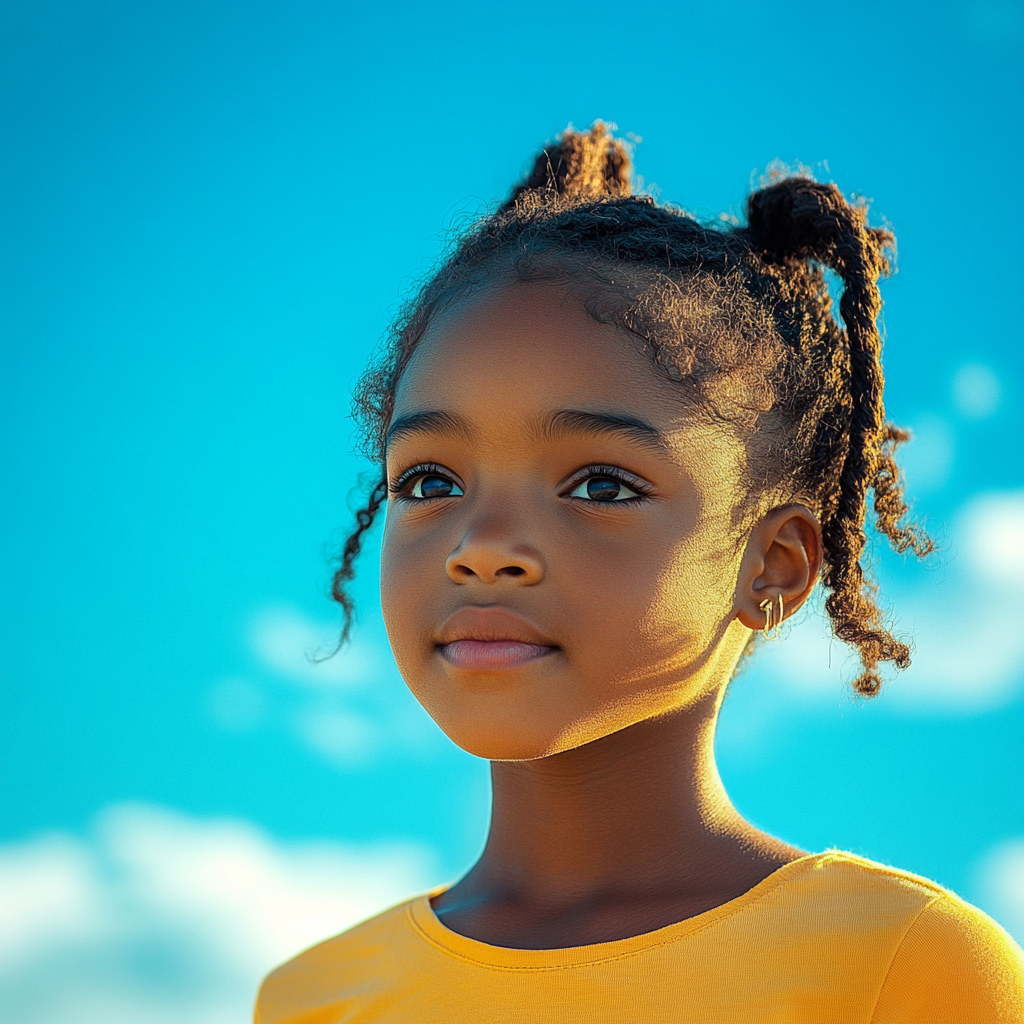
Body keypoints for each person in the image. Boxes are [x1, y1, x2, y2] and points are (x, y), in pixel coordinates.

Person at [254, 124, 1024, 1023]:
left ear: (773, 565)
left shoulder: (904, 966)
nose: (483, 543)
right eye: (430, 480)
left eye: (600, 484)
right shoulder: (311, 1000)